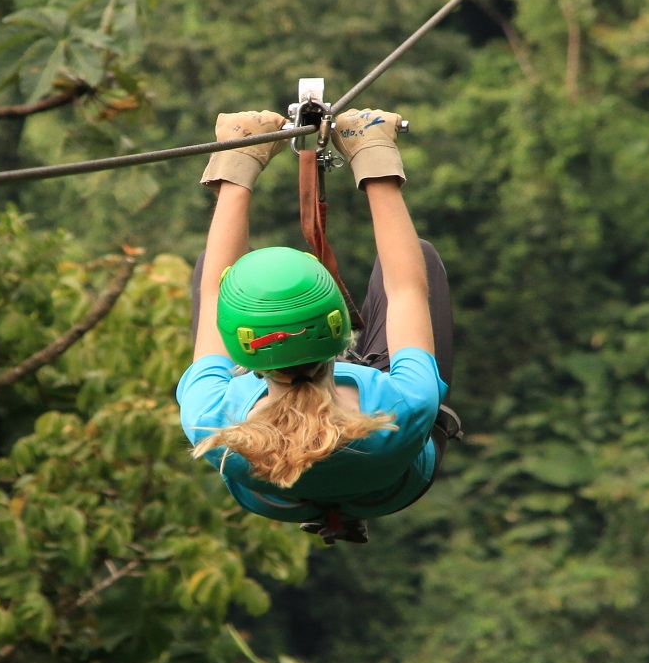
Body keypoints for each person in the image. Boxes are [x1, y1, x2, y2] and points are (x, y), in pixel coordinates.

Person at [176, 108, 460, 544]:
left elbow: (216, 291)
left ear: (242, 344)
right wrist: (372, 151)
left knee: (216, 272)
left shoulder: (218, 422)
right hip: (388, 490)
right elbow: (405, 288)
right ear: (339, 323)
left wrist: (239, 159)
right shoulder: (397, 408)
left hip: (279, 499)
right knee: (415, 255)